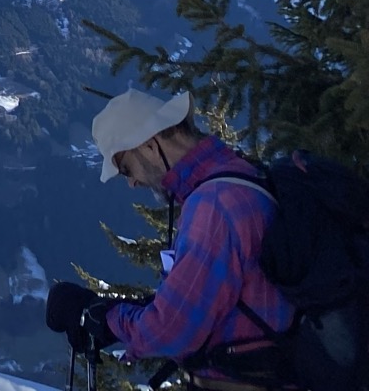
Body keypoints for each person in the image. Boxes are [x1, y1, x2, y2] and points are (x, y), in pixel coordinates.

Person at [45, 90, 292, 388]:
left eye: (126, 168)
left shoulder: (213, 205)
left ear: (149, 146)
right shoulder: (238, 174)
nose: (133, 182)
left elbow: (171, 331)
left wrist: (106, 318)